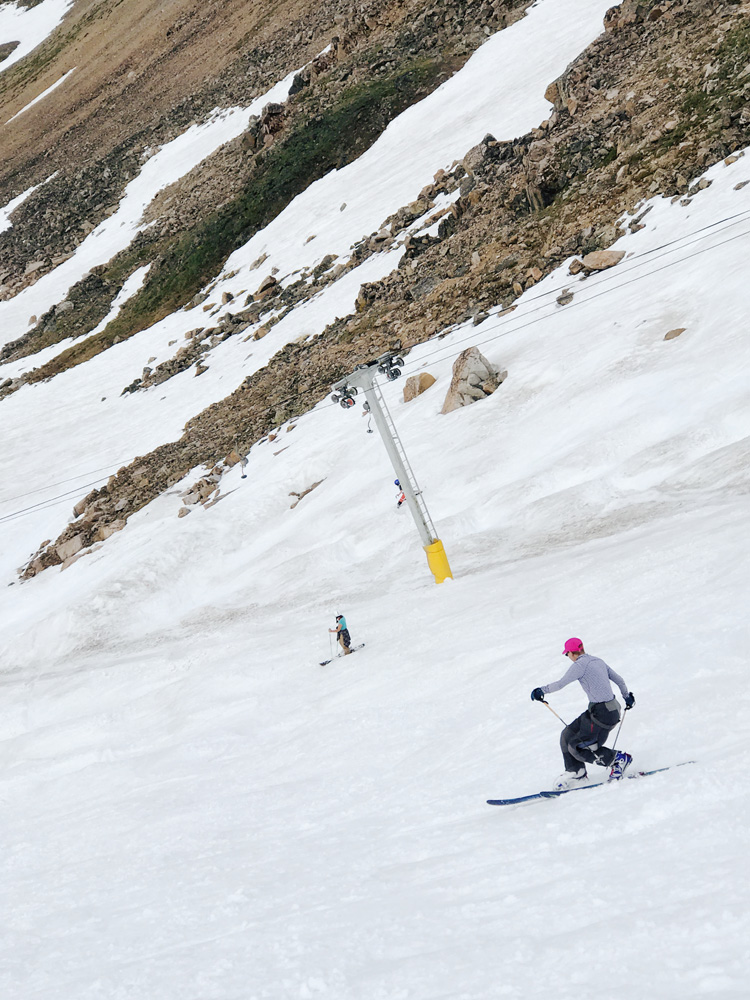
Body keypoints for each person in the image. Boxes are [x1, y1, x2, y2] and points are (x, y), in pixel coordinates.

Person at [531, 638, 635, 789]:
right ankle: (576, 771)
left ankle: (618, 760)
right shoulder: (597, 661)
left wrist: (541, 690)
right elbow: (619, 680)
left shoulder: (580, 665)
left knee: (578, 746)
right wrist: (627, 697)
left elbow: (561, 683)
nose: (569, 658)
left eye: (567, 655)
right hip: (604, 710)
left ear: (572, 653)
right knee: (567, 734)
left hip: (603, 713)